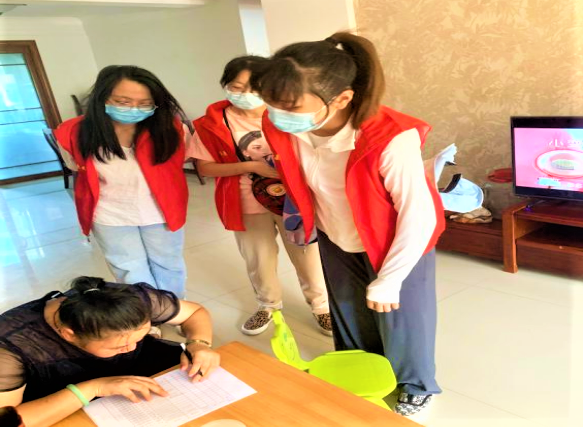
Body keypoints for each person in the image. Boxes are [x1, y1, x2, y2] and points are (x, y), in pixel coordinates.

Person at [252, 32, 445, 417]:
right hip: (334, 233)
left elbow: (417, 214)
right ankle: (362, 368)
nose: (276, 113)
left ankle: (416, 385)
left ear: (342, 99)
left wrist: (391, 277)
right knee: (348, 311)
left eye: (289, 105)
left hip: (394, 240)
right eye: (271, 102)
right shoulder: (282, 125)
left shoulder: (390, 137)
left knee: (403, 318)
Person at [192, 56, 332, 336]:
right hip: (245, 201)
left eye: (255, 87)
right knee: (259, 259)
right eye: (237, 87)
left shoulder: (289, 114)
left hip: (292, 202)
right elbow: (205, 167)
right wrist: (253, 167)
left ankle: (321, 307)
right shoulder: (210, 123)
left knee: (308, 256)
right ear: (225, 85)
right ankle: (268, 306)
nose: (245, 94)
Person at [0, 276, 220, 427]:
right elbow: (7, 419)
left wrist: (199, 343)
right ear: (69, 335)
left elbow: (194, 312)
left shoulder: (130, 302)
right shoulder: (9, 348)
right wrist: (94, 388)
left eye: (141, 336)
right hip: (59, 396)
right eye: (119, 346)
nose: (132, 348)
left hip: (136, 375)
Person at [55, 66, 191, 298]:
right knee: (129, 269)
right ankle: (145, 311)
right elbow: (74, 166)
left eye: (145, 103)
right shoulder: (73, 132)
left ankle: (174, 308)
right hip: (110, 214)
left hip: (161, 210)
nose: (134, 109)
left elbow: (178, 162)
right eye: (123, 101)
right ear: (102, 97)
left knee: (169, 264)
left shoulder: (172, 128)